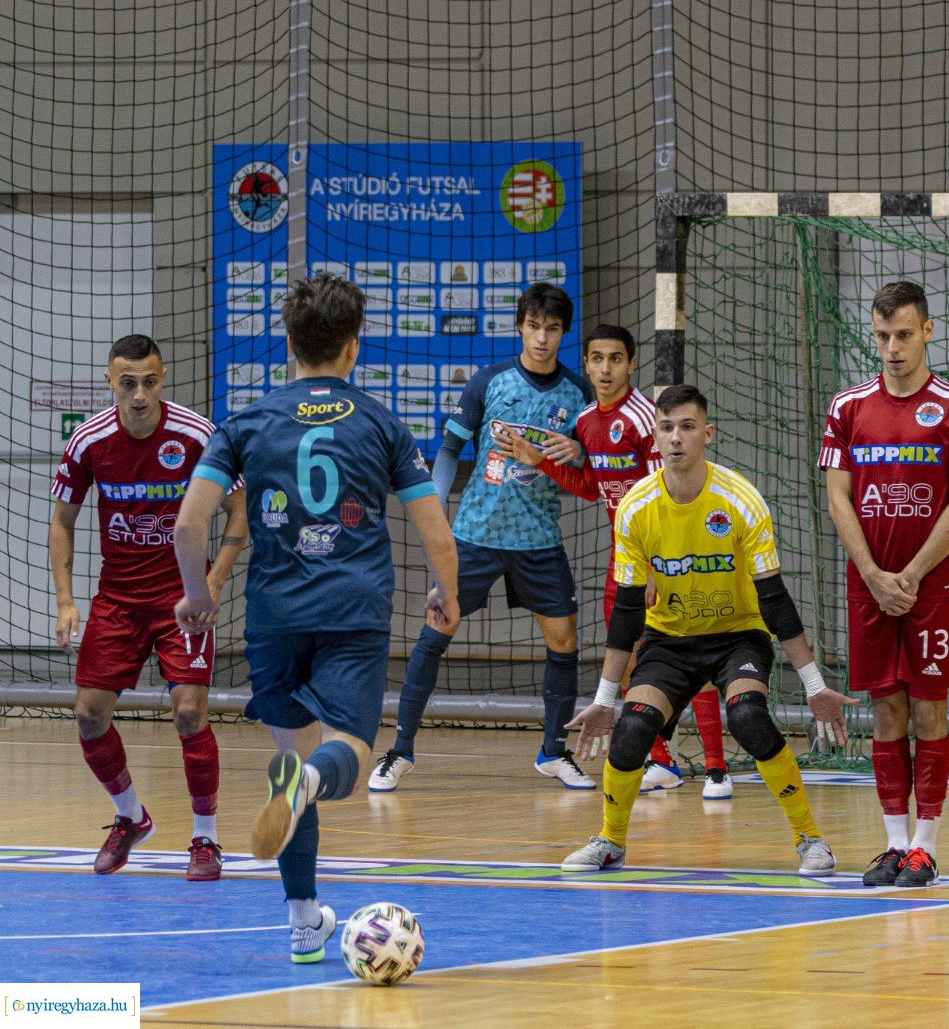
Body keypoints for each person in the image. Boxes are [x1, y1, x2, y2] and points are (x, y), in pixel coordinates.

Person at [172, 274, 460, 963]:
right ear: (353, 347)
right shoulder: (382, 423)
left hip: (273, 615)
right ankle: (303, 784)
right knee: (345, 762)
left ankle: (304, 923)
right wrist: (444, 591)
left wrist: (198, 595)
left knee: (291, 753)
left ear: (290, 343)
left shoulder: (245, 423)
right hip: (353, 610)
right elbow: (435, 530)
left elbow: (189, 525)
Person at [561, 385, 856, 874]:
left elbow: (775, 600)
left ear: (708, 434)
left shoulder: (740, 501)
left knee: (748, 718)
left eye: (688, 427)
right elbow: (628, 612)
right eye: (666, 427)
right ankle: (610, 840)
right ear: (655, 437)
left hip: (737, 636)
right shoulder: (635, 508)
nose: (676, 437)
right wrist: (605, 697)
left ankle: (810, 839)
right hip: (669, 641)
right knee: (632, 729)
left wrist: (814, 685)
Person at [484, 324, 734, 800]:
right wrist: (541, 461)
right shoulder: (584, 422)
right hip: (623, 559)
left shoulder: (644, 418)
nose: (604, 368)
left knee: (688, 654)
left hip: (669, 552)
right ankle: (662, 759)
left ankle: (717, 768)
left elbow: (669, 491)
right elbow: (591, 488)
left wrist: (662, 564)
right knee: (636, 660)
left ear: (631, 364)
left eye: (615, 359)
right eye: (596, 359)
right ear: (587, 365)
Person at [367, 283, 592, 792]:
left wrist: (574, 454)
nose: (542, 338)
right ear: (519, 326)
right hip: (475, 535)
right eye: (534, 326)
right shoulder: (489, 381)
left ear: (563, 333)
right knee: (436, 629)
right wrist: (437, 518)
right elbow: (448, 451)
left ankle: (553, 753)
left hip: (539, 539)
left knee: (564, 640)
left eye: (552, 329)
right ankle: (400, 751)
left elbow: (586, 469)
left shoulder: (576, 395)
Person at [49, 335, 248, 880]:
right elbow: (62, 521)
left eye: (150, 382)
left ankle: (205, 839)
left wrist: (209, 583)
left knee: (189, 712)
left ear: (164, 379)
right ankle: (130, 817)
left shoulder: (195, 434)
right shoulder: (89, 440)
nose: (139, 395)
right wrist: (66, 602)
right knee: (89, 718)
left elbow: (239, 512)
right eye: (128, 383)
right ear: (110, 382)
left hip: (181, 598)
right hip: (117, 599)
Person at [821, 281, 949, 888]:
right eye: (882, 336)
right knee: (884, 709)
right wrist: (872, 573)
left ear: (928, 331)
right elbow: (838, 496)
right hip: (869, 587)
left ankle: (926, 845)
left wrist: (912, 575)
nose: (892, 348)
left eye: (903, 335)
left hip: (931, 589)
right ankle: (893, 843)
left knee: (927, 710)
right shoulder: (848, 407)